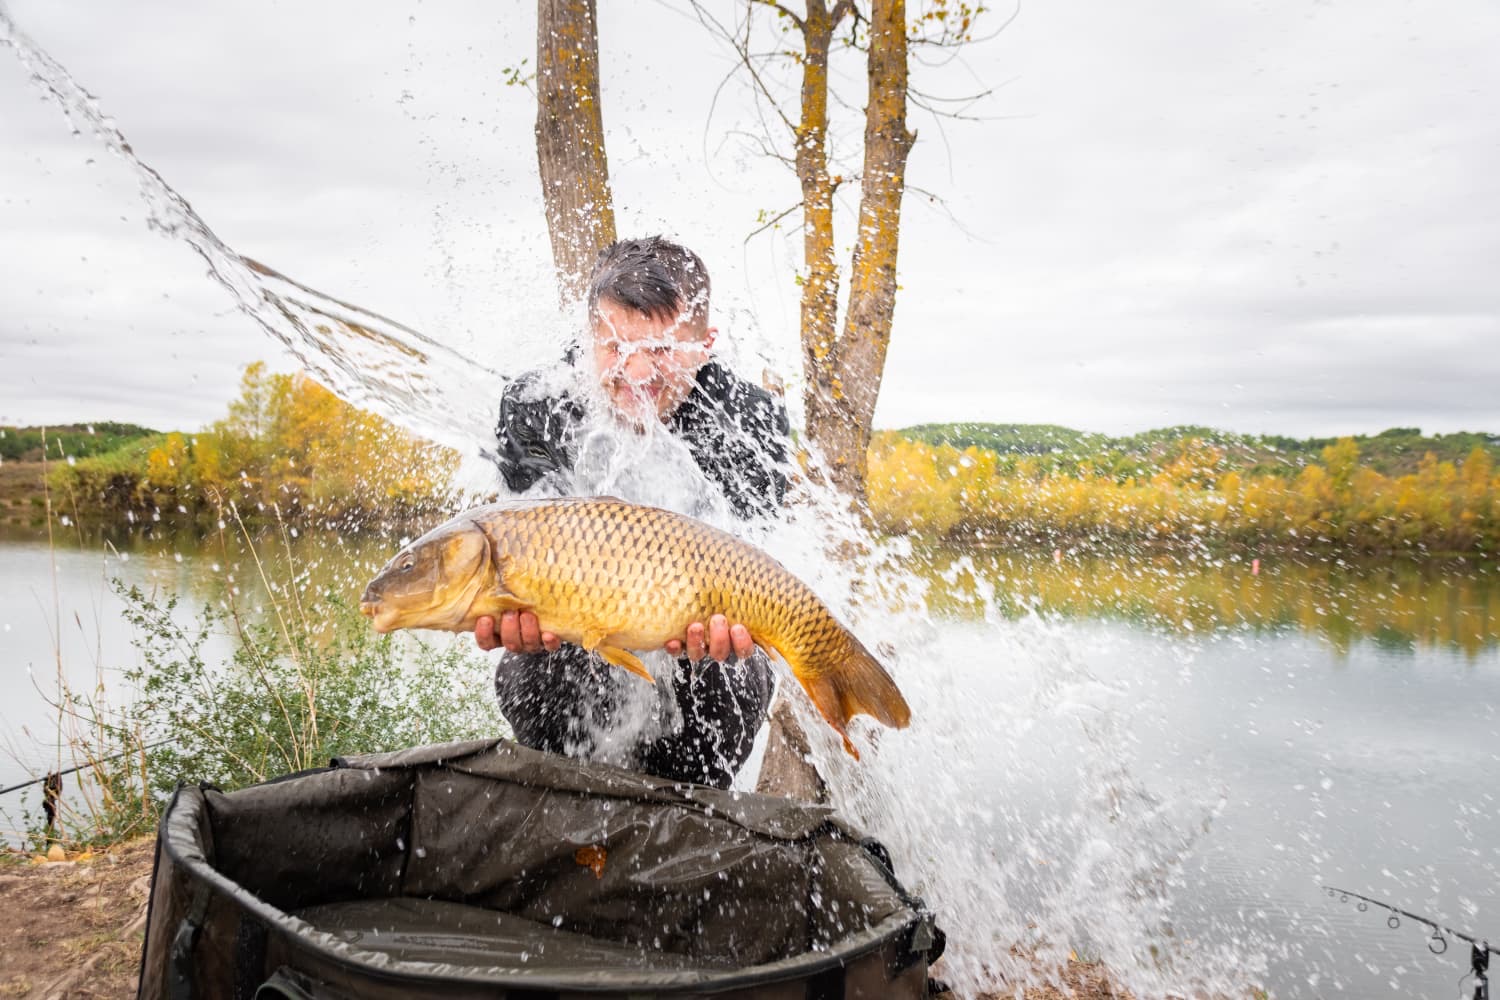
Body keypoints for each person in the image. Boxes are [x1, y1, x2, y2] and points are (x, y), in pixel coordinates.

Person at [474, 236, 792, 788]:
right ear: (588, 337)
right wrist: (513, 610)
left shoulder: (750, 423)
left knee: (735, 678)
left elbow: (756, 564)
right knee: (527, 676)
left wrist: (732, 627)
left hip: (702, 657)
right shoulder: (536, 405)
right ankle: (568, 801)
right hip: (574, 642)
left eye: (663, 350)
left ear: (706, 344)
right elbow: (514, 547)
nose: (637, 372)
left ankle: (690, 818)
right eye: (615, 347)